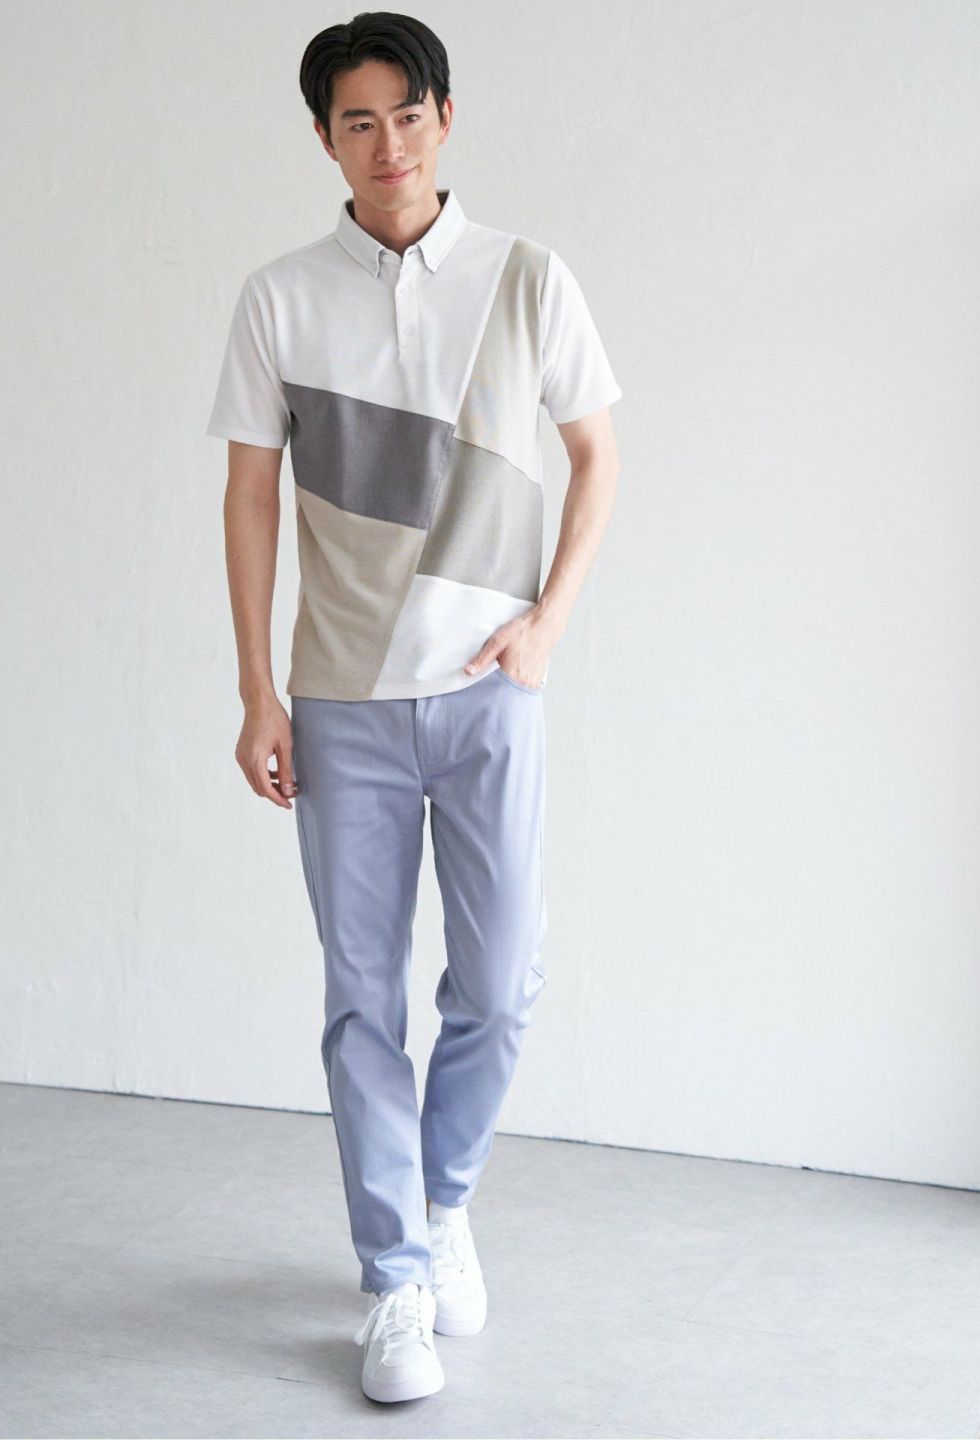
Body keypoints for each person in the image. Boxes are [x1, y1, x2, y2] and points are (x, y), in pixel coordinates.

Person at [206, 10, 622, 1405]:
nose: (386, 143)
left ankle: (443, 1205)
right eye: (356, 121)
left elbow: (597, 454)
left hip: (490, 691)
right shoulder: (280, 298)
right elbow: (249, 496)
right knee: (361, 998)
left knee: (500, 984)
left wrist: (545, 624)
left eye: (406, 113)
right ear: (325, 139)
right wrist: (257, 688)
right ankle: (393, 1278)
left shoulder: (527, 278)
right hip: (340, 699)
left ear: (445, 117)